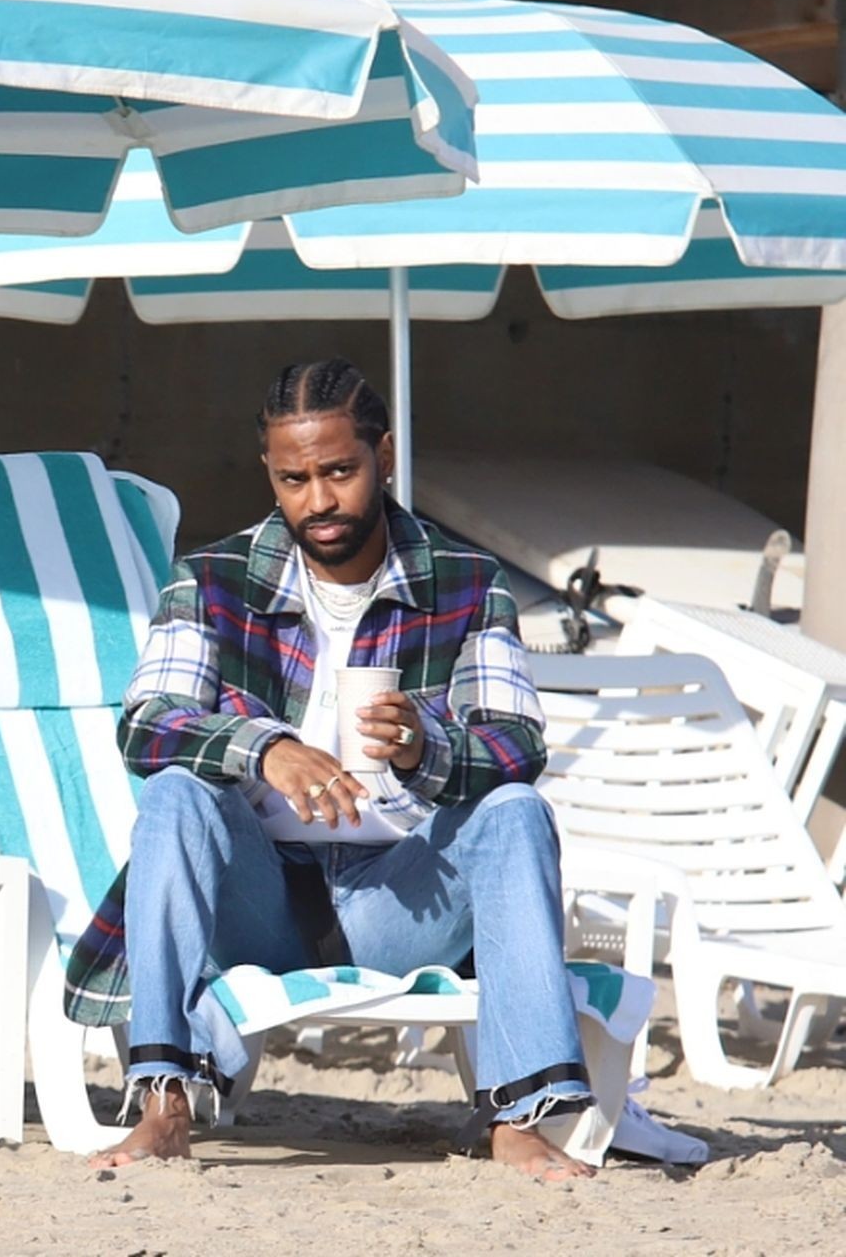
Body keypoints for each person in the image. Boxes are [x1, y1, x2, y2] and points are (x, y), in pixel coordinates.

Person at [69, 359, 596, 1182]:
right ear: (269, 475)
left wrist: (427, 748)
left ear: (383, 456)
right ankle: (164, 1106)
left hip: (404, 903)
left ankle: (517, 1119)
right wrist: (264, 748)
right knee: (175, 793)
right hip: (260, 903)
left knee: (516, 811)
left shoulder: (466, 584)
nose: (318, 500)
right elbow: (146, 725)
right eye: (294, 479)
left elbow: (517, 743)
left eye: (340, 472)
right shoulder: (212, 581)